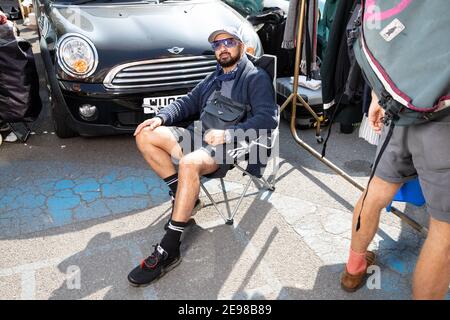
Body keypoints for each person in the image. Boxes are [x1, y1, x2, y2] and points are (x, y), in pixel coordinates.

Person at [127, 27, 278, 287]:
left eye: (229, 42)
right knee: (145, 135)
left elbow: (268, 119)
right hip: (199, 137)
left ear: (241, 45)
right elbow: (187, 102)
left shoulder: (255, 78)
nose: (222, 48)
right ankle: (185, 196)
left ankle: (169, 248)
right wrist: (159, 118)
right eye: (217, 44)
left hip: (228, 147)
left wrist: (228, 134)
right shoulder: (214, 77)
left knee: (188, 163)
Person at [340, 90, 450, 299]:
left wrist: (376, 95)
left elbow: (382, 56)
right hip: (444, 120)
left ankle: (353, 270)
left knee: (374, 194)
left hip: (401, 106)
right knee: (444, 230)